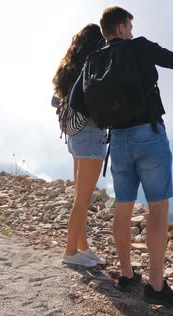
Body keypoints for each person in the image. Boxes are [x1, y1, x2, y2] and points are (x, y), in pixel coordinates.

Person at [70, 7, 173, 307]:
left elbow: (77, 100)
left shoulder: (93, 60)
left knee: (123, 207)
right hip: (149, 135)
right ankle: (156, 285)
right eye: (129, 25)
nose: (132, 30)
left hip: (116, 141)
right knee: (158, 208)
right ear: (120, 27)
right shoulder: (139, 47)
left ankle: (127, 274)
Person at [52, 23, 108, 268]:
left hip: (74, 136)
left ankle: (82, 246)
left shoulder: (69, 67)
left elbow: (55, 100)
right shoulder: (93, 67)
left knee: (80, 196)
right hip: (91, 136)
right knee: (82, 199)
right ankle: (71, 252)